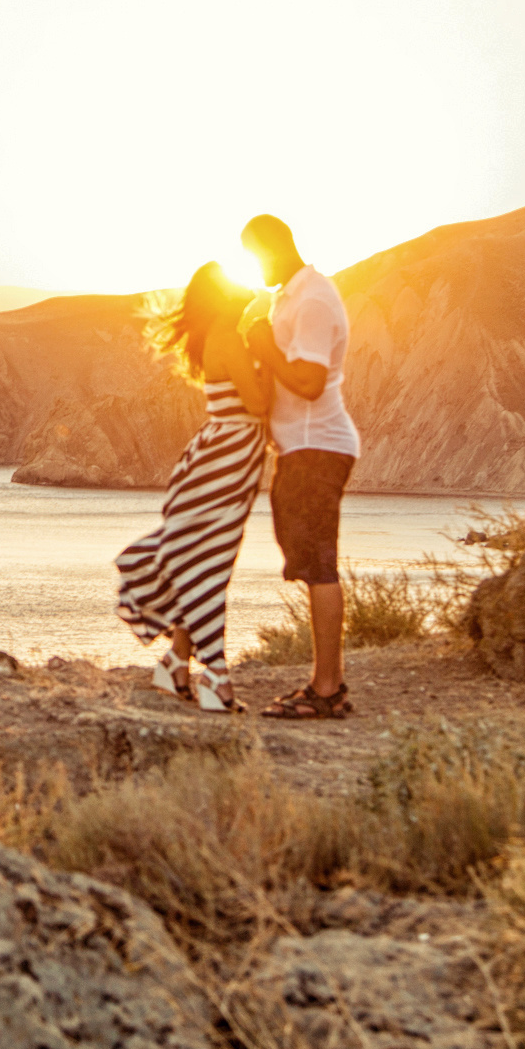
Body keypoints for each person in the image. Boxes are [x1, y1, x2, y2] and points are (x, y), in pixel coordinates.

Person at [114, 261, 272, 713]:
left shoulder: (225, 334)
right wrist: (271, 352)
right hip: (224, 461)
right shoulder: (229, 335)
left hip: (226, 459)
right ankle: (216, 677)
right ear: (222, 298)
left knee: (203, 561)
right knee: (210, 565)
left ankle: (176, 663)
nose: (249, 286)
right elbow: (258, 404)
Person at [239, 213, 360, 719]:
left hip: (317, 446)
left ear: (273, 247)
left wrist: (265, 345)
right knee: (311, 564)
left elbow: (309, 381)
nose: (253, 268)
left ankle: (328, 691)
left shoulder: (310, 298)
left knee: (318, 566)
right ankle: (323, 684)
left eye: (254, 256)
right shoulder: (290, 294)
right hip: (303, 448)